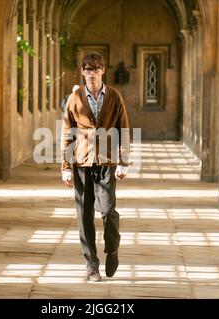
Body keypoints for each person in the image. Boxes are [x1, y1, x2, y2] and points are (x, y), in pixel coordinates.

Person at [60, 52, 130, 282]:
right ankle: (91, 265)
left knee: (108, 211)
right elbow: (67, 133)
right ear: (82, 72)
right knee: (84, 213)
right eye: (87, 69)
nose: (91, 73)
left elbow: (124, 130)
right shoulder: (75, 99)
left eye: (96, 68)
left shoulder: (114, 97)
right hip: (81, 163)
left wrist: (123, 161)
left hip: (106, 162)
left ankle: (112, 249)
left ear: (103, 71)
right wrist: (66, 166)